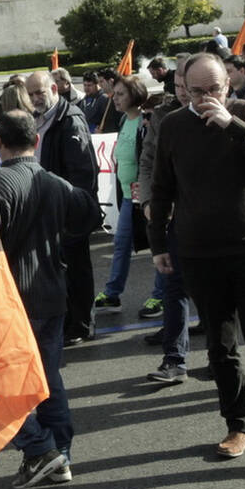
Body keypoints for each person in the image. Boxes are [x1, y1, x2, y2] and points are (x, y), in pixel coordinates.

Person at [149, 53, 245, 478]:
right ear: (182, 87)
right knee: (219, 347)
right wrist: (157, 242)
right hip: (199, 251)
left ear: (227, 85)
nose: (204, 99)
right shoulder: (173, 126)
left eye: (212, 90)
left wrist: (232, 126)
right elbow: (161, 189)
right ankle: (239, 425)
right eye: (195, 91)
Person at [0, 110, 101, 489]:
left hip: (13, 298)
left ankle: (41, 450)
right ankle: (59, 456)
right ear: (36, 142)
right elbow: (89, 212)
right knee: (47, 380)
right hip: (52, 293)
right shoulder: (53, 181)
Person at [23, 71, 99, 345]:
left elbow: (83, 172)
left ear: (54, 88)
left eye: (39, 92)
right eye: (30, 94)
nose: (34, 98)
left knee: (77, 266)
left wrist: (70, 207)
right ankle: (69, 320)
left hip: (67, 208)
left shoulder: (69, 120)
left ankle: (81, 324)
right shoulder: (39, 119)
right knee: (60, 267)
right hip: (48, 207)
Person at [138, 67, 194, 382]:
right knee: (174, 287)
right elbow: (149, 162)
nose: (184, 92)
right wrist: (148, 202)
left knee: (214, 292)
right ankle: (174, 360)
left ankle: (220, 357)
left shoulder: (229, 111)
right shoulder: (162, 117)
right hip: (172, 214)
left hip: (210, 219)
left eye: (191, 86)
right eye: (180, 86)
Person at [94, 76, 150, 312]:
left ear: (134, 96)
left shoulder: (145, 123)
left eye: (120, 95)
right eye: (114, 94)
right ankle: (112, 292)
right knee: (121, 245)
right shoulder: (124, 121)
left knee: (159, 248)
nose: (115, 99)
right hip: (128, 196)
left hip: (145, 196)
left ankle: (161, 295)